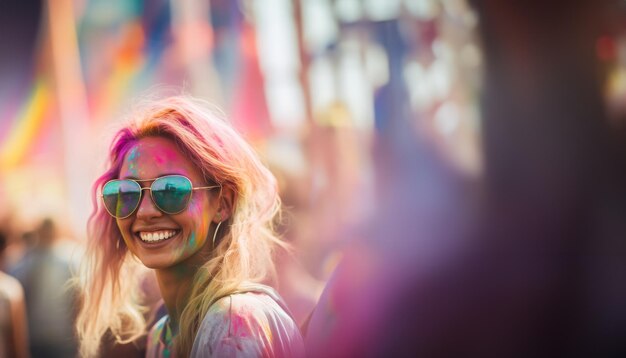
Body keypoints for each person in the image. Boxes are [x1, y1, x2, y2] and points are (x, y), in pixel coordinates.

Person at [75, 95, 305, 357]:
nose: (146, 211)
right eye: (126, 192)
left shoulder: (234, 324)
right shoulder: (161, 336)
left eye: (171, 189)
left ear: (223, 204)